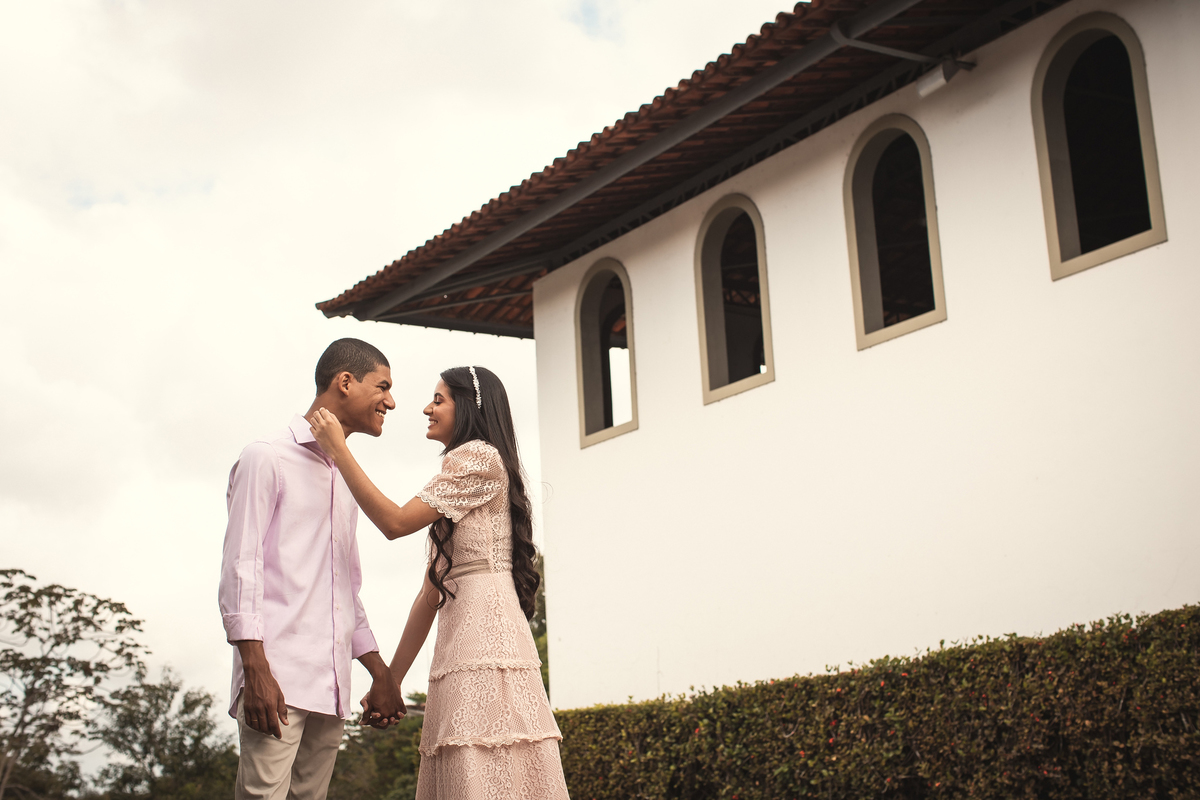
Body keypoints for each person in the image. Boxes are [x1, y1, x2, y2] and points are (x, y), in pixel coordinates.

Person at [308, 365, 570, 800]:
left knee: (482, 760)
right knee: (469, 761)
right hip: (458, 638)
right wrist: (389, 681)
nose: (426, 409)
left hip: (485, 642)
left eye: (439, 400)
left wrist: (339, 450)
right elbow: (430, 593)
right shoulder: (462, 467)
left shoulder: (479, 457)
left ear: (467, 407)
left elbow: (394, 523)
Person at [218, 338, 408, 800]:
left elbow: (346, 587)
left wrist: (379, 672)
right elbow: (241, 566)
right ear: (345, 382)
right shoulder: (266, 457)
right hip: (275, 680)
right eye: (382, 386)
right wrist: (255, 671)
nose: (392, 401)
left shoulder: (346, 477)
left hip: (333, 683)